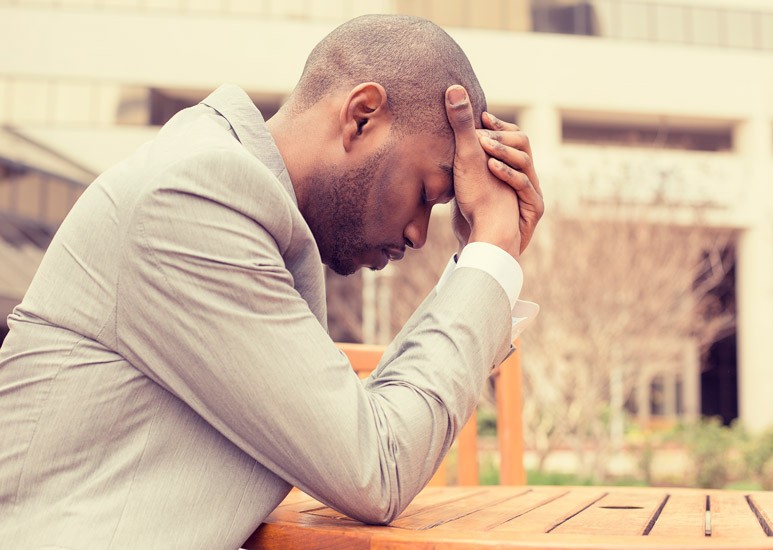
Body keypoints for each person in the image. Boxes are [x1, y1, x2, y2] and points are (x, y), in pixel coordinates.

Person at [0, 14, 543, 550]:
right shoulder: (193, 198)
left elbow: (358, 430)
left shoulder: (233, 201)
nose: (419, 233)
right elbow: (378, 466)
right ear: (361, 116)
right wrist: (491, 253)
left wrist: (482, 257)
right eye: (427, 191)